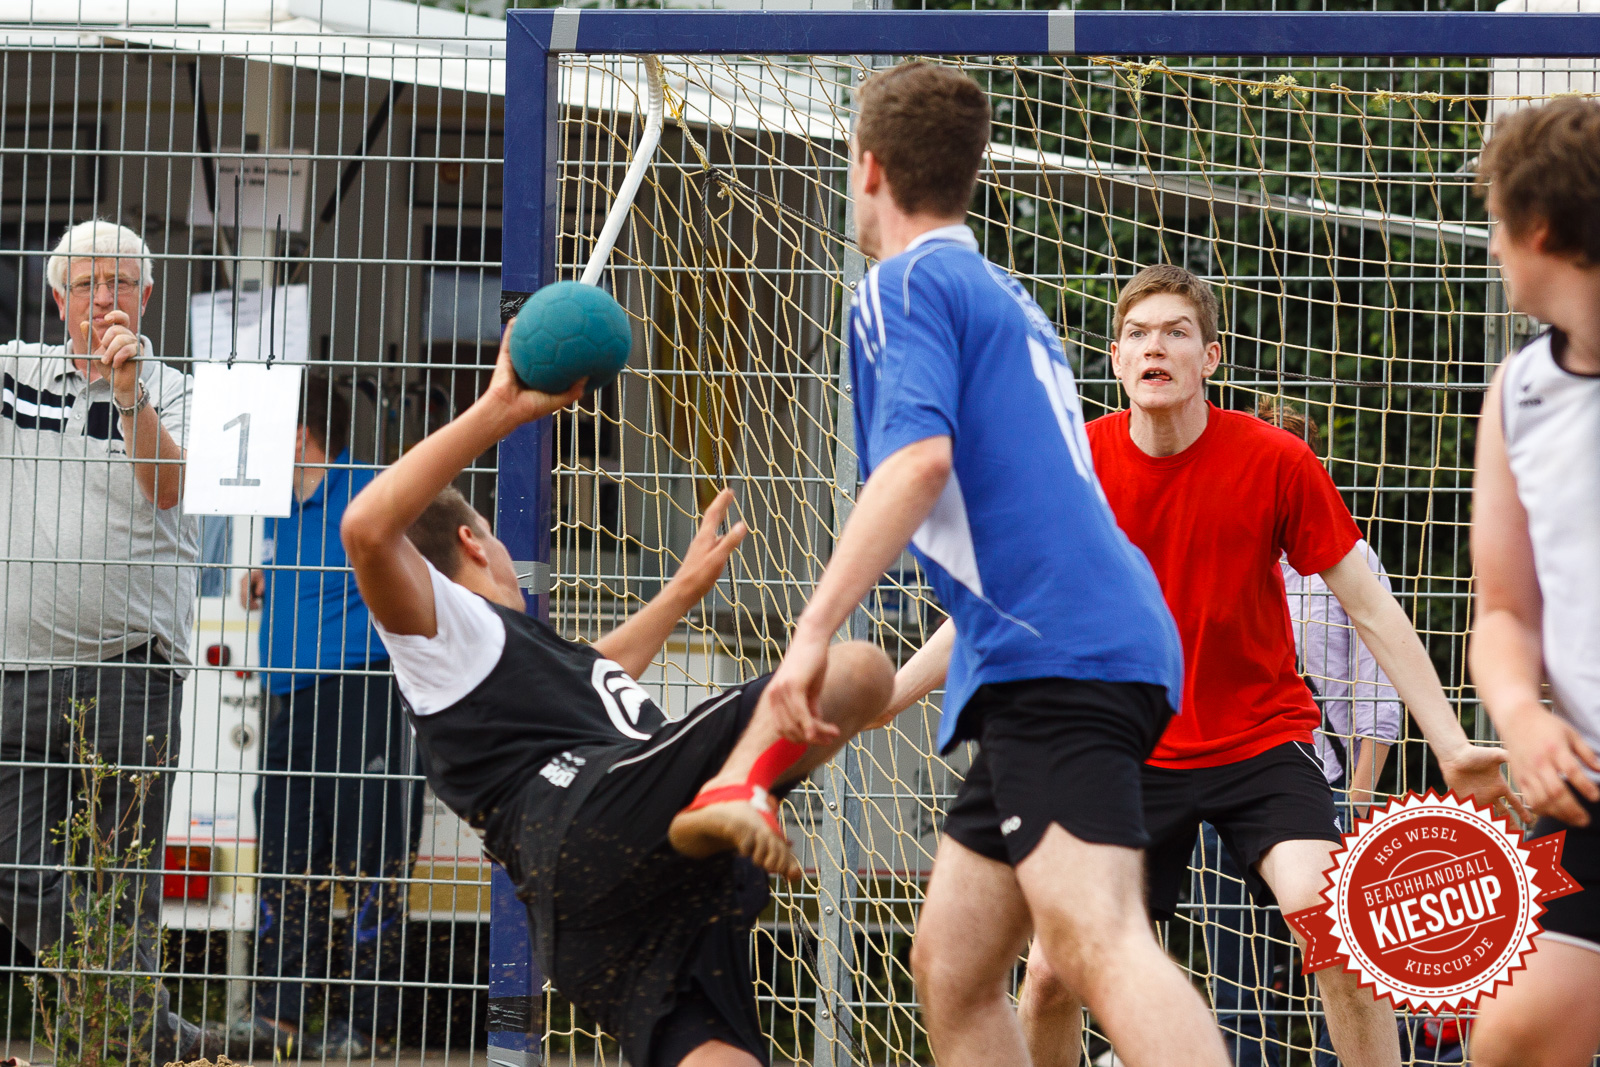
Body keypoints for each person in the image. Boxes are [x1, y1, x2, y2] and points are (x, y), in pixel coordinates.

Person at [756, 63, 1229, 1067]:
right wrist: (903, 685)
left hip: (1057, 659)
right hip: (1060, 647)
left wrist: (811, 632)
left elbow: (918, 465)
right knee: (954, 964)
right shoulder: (1002, 296)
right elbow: (1008, 534)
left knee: (1095, 936)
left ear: (867, 167)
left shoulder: (905, 284)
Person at [995, 263, 1524, 1067]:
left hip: (1260, 743)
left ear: (1211, 356)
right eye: (1138, 334)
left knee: (1334, 929)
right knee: (1050, 978)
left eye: (1176, 332)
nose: (1155, 347)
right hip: (1129, 752)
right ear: (1114, 358)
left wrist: (1451, 745)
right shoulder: (1077, 464)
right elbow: (1003, 608)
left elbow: (1371, 605)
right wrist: (887, 690)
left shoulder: (1275, 461)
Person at [338, 327, 895, 1067]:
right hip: (594, 816)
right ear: (475, 544)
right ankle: (731, 787)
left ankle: (720, 802)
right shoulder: (448, 628)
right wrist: (499, 409)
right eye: (494, 535)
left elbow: (598, 672)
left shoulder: (520, 660)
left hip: (603, 908)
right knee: (856, 668)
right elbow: (366, 527)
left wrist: (682, 590)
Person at [0, 219, 214, 1060]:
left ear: (148, 295)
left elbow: (167, 487)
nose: (104, 300)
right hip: (14, 671)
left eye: (121, 283)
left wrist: (128, 391)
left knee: (121, 884)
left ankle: (125, 1041)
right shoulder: (14, 372)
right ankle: (144, 1022)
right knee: (17, 867)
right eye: (86, 285)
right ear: (59, 298)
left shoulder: (180, 389)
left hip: (128, 673)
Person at [1193, 393, 1403, 1067]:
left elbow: (1377, 689)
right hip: (1218, 778)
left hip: (1323, 784)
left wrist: (1361, 799)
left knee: (1337, 964)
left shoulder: (1344, 558)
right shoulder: (1215, 543)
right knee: (1235, 983)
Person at [1467, 96, 1600, 1067]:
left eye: (1495, 222)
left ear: (1538, 227)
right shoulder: (1519, 393)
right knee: (1510, 1039)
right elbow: (1505, 608)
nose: (1492, 247)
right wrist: (1519, 715)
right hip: (1591, 781)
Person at [234, 375, 420, 1058]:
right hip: (290, 699)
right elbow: (295, 566)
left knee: (370, 854)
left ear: (299, 435)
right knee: (285, 850)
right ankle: (277, 1019)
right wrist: (266, 578)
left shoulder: (371, 491)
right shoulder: (279, 507)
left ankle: (365, 1028)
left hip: (362, 690)